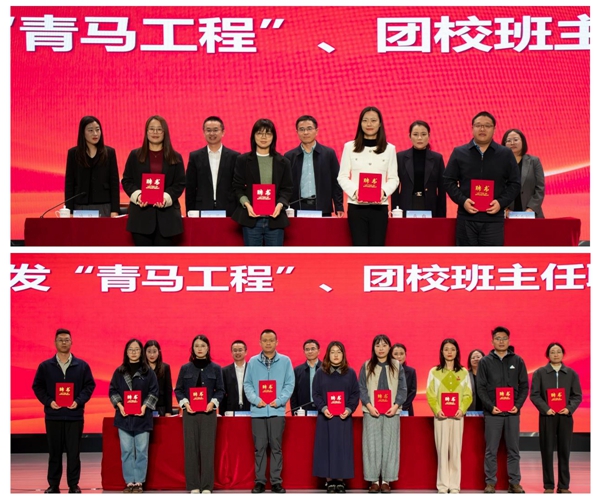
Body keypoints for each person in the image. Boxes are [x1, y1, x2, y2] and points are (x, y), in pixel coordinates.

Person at [32, 328, 96, 494]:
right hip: (53, 416)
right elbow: (37, 386)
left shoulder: (82, 366)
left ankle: (73, 485)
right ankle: (53, 485)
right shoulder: (45, 366)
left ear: (71, 342)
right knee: (54, 453)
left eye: (66, 340)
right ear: (55, 343)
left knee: (74, 453)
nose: (63, 342)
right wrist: (49, 401)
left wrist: (78, 401)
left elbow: (90, 386)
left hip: (75, 416)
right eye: (60, 340)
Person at [443, 111, 520, 246]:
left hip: (494, 219)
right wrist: (463, 201)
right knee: (466, 258)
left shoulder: (505, 154)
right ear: (472, 128)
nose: (482, 129)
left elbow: (515, 183)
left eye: (487, 126)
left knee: (491, 258)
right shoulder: (459, 152)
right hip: (466, 218)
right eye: (478, 125)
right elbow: (448, 180)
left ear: (494, 129)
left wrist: (501, 203)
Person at [477, 326, 529, 493]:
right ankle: (490, 482)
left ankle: (514, 482)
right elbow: (481, 388)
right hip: (493, 413)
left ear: (509, 340)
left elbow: (524, 386)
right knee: (491, 450)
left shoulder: (518, 360)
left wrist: (517, 405)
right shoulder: (485, 362)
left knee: (514, 450)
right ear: (492, 341)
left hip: (512, 413)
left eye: (504, 338)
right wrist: (491, 407)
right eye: (498, 338)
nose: (501, 341)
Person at [243, 329, 295, 493]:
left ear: (276, 342)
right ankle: (259, 482)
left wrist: (279, 401)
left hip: (276, 411)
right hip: (258, 412)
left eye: (271, 340)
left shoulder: (285, 361)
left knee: (276, 448)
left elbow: (289, 384)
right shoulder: (252, 362)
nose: (268, 343)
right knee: (259, 448)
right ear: (260, 342)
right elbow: (247, 384)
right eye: (265, 340)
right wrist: (256, 400)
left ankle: (276, 482)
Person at [338, 106, 399, 246]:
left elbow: (394, 178)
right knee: (359, 248)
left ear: (380, 123)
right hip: (356, 207)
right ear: (360, 123)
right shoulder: (349, 147)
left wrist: (383, 192)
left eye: (373, 120)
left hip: (380, 207)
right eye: (365, 120)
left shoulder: (389, 149)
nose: (369, 124)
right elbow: (342, 176)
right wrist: (355, 192)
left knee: (377, 248)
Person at [121, 115, 186, 245]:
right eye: (151, 129)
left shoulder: (175, 157)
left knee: (164, 257)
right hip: (140, 218)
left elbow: (180, 184)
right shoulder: (135, 155)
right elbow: (127, 181)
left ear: (164, 132)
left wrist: (165, 198)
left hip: (167, 219)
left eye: (159, 129)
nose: (155, 132)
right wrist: (138, 196)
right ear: (146, 132)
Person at [174, 335, 225, 493]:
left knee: (207, 449)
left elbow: (221, 390)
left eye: (203, 345)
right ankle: (193, 485)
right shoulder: (185, 368)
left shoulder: (216, 368)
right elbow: (178, 390)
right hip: (190, 414)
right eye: (196, 346)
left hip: (209, 413)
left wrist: (213, 403)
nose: (200, 348)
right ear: (192, 349)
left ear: (208, 348)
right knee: (191, 448)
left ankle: (207, 486)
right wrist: (185, 404)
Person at [231, 119, 294, 246]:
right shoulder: (243, 160)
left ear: (273, 137)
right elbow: (237, 187)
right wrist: (247, 205)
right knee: (253, 257)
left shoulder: (283, 162)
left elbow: (287, 188)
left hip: (275, 220)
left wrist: (280, 204)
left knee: (275, 257)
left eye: (268, 133)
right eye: (259, 133)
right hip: (251, 219)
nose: (263, 137)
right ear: (253, 136)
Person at [530, 342, 582, 493]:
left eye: (558, 351)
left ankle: (564, 486)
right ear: (548, 355)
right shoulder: (540, 373)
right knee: (547, 450)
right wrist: (546, 409)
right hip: (547, 416)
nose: (556, 354)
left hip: (565, 416)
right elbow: (534, 395)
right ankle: (548, 485)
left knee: (564, 451)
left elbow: (577, 395)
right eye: (552, 352)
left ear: (563, 354)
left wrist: (569, 408)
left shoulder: (571, 373)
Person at [358, 334, 407, 493]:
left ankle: (386, 480)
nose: (381, 348)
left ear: (389, 347)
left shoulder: (397, 366)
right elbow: (362, 388)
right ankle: (373, 480)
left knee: (390, 445)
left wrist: (396, 405)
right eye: (377, 345)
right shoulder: (366, 365)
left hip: (392, 411)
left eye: (384, 345)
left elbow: (403, 389)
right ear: (373, 348)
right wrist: (369, 406)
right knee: (371, 445)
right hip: (371, 411)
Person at [108, 338, 159, 493]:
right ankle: (129, 481)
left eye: (137, 349)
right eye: (131, 349)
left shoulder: (148, 372)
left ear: (141, 352)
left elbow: (154, 391)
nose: (134, 352)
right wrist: (120, 406)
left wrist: (144, 407)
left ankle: (139, 482)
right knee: (127, 451)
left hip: (142, 418)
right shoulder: (119, 371)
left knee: (142, 451)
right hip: (124, 418)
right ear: (126, 352)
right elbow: (112, 391)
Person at [312, 341, 360, 493]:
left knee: (342, 448)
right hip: (326, 417)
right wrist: (324, 408)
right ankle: (329, 481)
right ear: (328, 354)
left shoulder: (350, 373)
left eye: (339, 352)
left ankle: (340, 481)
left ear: (343, 354)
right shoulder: (320, 373)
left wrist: (349, 409)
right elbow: (316, 394)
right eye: (332, 352)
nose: (336, 355)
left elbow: (355, 394)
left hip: (343, 418)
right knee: (326, 447)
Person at [425, 338, 473, 493]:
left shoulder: (463, 372)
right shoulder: (434, 372)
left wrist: (462, 409)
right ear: (441, 352)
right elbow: (430, 394)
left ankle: (454, 486)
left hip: (457, 417)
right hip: (441, 417)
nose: (449, 352)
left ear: (457, 351)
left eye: (452, 349)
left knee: (455, 451)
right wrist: (437, 409)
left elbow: (468, 394)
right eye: (446, 349)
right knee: (442, 450)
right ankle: (443, 485)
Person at [284, 115, 344, 217]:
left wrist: (339, 206)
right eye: (302, 129)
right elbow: (285, 185)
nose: (305, 132)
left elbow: (336, 182)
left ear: (316, 131)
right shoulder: (289, 156)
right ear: (297, 132)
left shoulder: (328, 154)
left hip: (322, 207)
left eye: (309, 129)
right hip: (297, 208)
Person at [64, 115, 120, 217]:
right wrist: (69, 210)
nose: (95, 133)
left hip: (104, 205)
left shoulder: (109, 153)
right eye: (90, 130)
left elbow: (114, 183)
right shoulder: (73, 154)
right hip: (80, 205)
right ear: (82, 132)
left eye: (97, 130)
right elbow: (69, 184)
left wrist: (114, 210)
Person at [185, 116, 240, 216]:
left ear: (223, 132)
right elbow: (190, 187)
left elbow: (238, 186)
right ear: (204, 132)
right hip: (202, 208)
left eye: (215, 130)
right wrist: (190, 212)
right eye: (208, 130)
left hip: (229, 209)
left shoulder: (235, 157)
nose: (212, 133)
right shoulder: (195, 157)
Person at [391, 120, 446, 217]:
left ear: (429, 136)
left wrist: (442, 216)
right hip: (406, 204)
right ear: (409, 136)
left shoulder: (437, 158)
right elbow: (395, 187)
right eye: (415, 134)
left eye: (423, 134)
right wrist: (395, 211)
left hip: (430, 205)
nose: (419, 138)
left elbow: (442, 189)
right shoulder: (400, 157)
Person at [501, 128, 545, 218]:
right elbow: (496, 189)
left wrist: (531, 209)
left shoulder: (534, 161)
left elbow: (540, 188)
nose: (512, 143)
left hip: (532, 214)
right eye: (508, 140)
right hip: (506, 215)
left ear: (523, 142)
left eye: (515, 140)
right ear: (504, 144)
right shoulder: (499, 163)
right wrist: (505, 209)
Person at [220, 339, 251, 415]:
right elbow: (222, 393)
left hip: (250, 408)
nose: (237, 353)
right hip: (230, 410)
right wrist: (222, 413)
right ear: (231, 353)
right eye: (235, 350)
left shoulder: (252, 369)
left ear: (246, 352)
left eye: (240, 350)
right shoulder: (224, 371)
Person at [290, 339, 322, 413]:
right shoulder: (297, 371)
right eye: (307, 349)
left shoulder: (326, 369)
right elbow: (293, 394)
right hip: (303, 410)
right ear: (304, 352)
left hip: (323, 410)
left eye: (313, 349)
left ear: (318, 351)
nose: (310, 351)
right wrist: (295, 411)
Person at [143, 340, 173, 416]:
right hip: (145, 407)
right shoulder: (141, 369)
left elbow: (168, 390)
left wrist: (168, 411)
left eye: (154, 351)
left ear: (159, 352)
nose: (152, 355)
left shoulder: (165, 367)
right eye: (149, 351)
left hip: (161, 406)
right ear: (144, 352)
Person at [391, 343, 417, 415]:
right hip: (389, 408)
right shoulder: (387, 371)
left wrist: (402, 407)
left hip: (406, 408)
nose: (399, 356)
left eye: (401, 354)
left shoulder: (411, 371)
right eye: (396, 354)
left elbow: (412, 392)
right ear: (391, 356)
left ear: (405, 355)